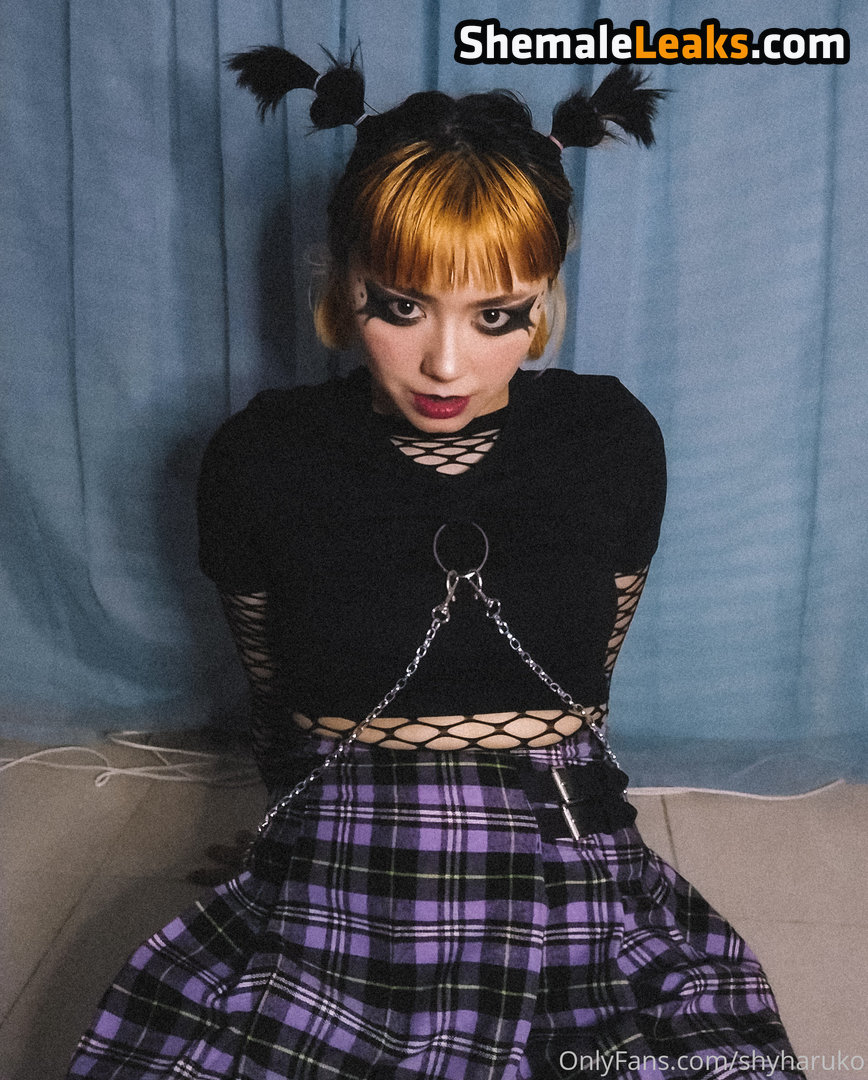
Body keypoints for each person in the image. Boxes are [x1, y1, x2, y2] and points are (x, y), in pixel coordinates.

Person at [67, 49, 804, 1080]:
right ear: (342, 284)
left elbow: (590, 688)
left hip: (557, 843)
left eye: (495, 314)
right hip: (346, 846)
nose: (446, 364)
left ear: (542, 300)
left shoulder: (610, 438)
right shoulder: (260, 455)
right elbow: (274, 692)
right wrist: (285, 843)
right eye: (401, 307)